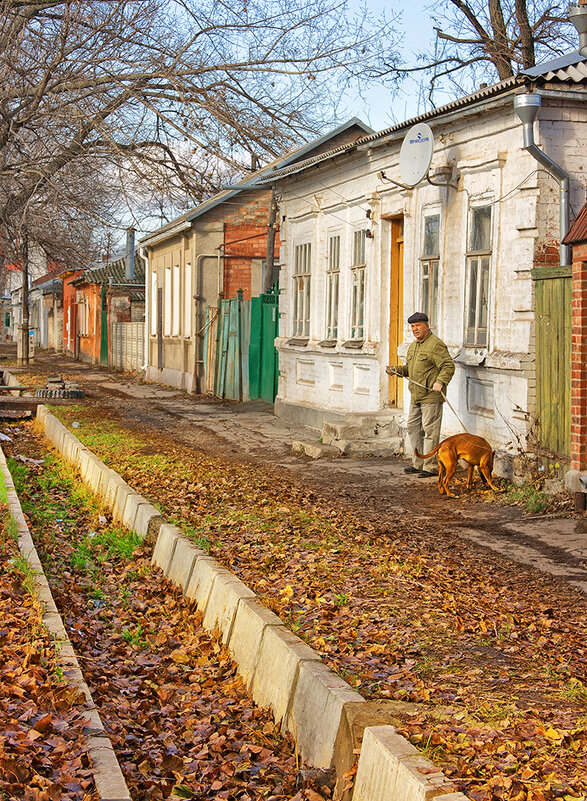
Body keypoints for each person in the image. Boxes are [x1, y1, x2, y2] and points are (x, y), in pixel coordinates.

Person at [386, 312, 455, 478]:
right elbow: (409, 369)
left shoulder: (435, 345)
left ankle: (430, 467)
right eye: (412, 326)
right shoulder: (414, 346)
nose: (415, 329)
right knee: (413, 428)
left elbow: (448, 366)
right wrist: (396, 370)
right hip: (416, 396)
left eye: (417, 326)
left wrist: (440, 382)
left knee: (430, 431)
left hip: (431, 396)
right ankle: (418, 464)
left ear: (426, 325)